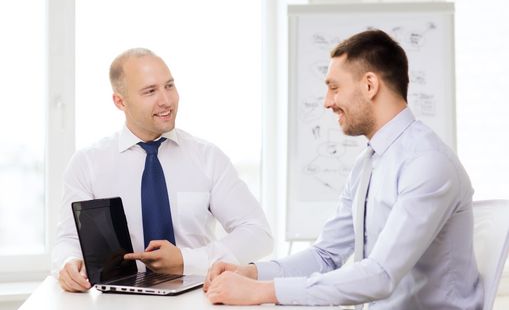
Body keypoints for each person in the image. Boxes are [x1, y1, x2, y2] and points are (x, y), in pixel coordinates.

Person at [204, 29, 483, 309]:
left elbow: (381, 276)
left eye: (334, 87)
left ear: (370, 85)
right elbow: (326, 256)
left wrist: (261, 292)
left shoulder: (427, 163)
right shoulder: (368, 163)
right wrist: (251, 274)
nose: (327, 102)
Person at [52, 48, 273, 292]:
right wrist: (68, 263)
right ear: (120, 101)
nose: (166, 100)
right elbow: (70, 240)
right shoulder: (88, 163)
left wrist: (186, 261)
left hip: (198, 298)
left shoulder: (208, 158)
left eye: (169, 86)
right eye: (150, 91)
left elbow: (258, 233)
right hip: (117, 302)